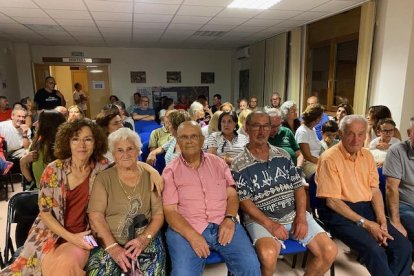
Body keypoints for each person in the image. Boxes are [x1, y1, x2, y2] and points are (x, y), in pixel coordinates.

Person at [231, 111, 337, 276]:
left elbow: (298, 188)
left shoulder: (283, 155)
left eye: (266, 126)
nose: (261, 131)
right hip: (260, 220)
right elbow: (245, 202)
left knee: (329, 251)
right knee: (268, 255)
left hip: (293, 214)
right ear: (246, 128)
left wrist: (301, 217)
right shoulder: (238, 164)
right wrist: (271, 224)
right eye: (256, 126)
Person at [0, 119, 110, 275]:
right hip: (50, 234)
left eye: (88, 139)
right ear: (68, 142)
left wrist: (151, 170)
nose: (82, 145)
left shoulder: (103, 167)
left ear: (96, 142)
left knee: (65, 267)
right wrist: (71, 237)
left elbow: (129, 162)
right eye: (75, 139)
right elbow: (44, 213)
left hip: (84, 236)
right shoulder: (54, 169)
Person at [316, 115, 412, 276]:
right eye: (350, 134)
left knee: (404, 247)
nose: (356, 139)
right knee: (375, 251)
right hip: (338, 213)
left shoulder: (367, 156)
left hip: (366, 209)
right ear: (341, 133)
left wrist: (381, 219)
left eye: (361, 134)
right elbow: (332, 202)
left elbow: (375, 190)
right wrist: (367, 224)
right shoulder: (329, 158)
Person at [162, 121, 261, 276]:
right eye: (184, 137)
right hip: (186, 228)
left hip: (223, 222)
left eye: (194, 136)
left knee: (251, 267)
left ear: (202, 139)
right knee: (183, 274)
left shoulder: (218, 163)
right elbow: (170, 212)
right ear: (178, 141)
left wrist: (229, 218)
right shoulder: (170, 171)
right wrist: (192, 236)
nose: (189, 141)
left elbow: (232, 194)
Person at [87, 128, 166, 275]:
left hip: (145, 239)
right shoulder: (103, 179)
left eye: (130, 149)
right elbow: (95, 216)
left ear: (138, 150)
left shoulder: (150, 177)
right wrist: (113, 247)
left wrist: (144, 239)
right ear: (113, 154)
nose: (126, 154)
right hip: (109, 241)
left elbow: (158, 215)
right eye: (120, 150)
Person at [383, 116, 414, 260]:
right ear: (409, 132)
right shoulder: (397, 151)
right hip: (404, 204)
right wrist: (395, 222)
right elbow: (391, 189)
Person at [20, 110, 66, 188]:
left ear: (47, 126)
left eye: (39, 121)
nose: (34, 124)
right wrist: (23, 161)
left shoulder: (65, 147)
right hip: (40, 192)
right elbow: (33, 181)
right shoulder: (37, 143)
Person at [295, 103, 324, 179]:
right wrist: (323, 163)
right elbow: (307, 156)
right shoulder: (302, 132)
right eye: (321, 116)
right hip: (307, 165)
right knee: (327, 173)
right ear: (316, 119)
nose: (322, 118)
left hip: (316, 161)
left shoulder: (312, 129)